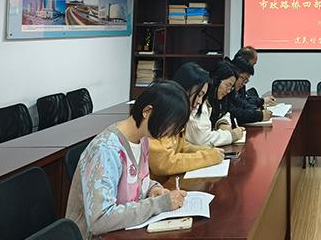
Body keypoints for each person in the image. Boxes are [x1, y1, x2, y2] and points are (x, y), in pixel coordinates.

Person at [66, 80, 189, 239]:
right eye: (171, 124)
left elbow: (137, 181)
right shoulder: (106, 150)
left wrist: (153, 189)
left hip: (129, 231)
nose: (172, 132)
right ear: (147, 111)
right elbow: (99, 220)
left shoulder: (143, 139)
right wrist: (159, 204)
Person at [146, 65, 225, 181]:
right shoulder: (163, 114)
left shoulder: (179, 116)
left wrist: (206, 150)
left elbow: (181, 146)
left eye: (202, 96)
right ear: (185, 88)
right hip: (155, 186)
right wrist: (207, 157)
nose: (200, 101)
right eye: (199, 95)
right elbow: (163, 163)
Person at [184, 60, 245, 147]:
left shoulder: (220, 97)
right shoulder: (200, 103)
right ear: (216, 80)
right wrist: (231, 136)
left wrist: (223, 123)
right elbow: (202, 138)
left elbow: (225, 112)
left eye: (231, 87)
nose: (228, 91)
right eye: (227, 85)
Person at [227, 56, 272, 125]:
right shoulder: (226, 89)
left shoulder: (233, 90)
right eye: (243, 79)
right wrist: (259, 115)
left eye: (246, 80)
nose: (243, 83)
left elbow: (241, 103)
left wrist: (255, 110)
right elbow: (233, 113)